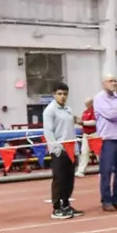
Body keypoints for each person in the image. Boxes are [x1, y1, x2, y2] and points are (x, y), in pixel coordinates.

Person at [92, 76, 117, 211]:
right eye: (111, 81)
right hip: (107, 138)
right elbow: (110, 115)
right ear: (104, 83)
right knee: (106, 170)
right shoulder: (99, 98)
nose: (114, 83)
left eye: (115, 81)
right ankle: (106, 199)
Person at [43, 83, 82, 219]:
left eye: (65, 94)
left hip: (71, 148)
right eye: (59, 94)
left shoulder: (68, 110)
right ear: (54, 94)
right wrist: (56, 149)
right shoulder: (49, 110)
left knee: (69, 179)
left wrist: (76, 149)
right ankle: (56, 208)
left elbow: (72, 130)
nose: (62, 96)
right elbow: (48, 131)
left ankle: (66, 203)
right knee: (59, 179)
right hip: (59, 150)